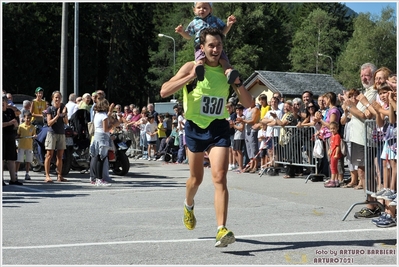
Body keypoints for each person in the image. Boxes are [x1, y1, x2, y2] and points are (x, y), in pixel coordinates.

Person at [160, 27, 252, 248]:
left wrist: (237, 83)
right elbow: (164, 91)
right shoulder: (191, 67)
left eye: (219, 45)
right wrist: (191, 77)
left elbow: (249, 104)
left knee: (220, 177)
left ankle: (221, 229)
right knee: (196, 179)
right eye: (211, 45)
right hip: (194, 128)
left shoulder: (227, 72)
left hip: (218, 127)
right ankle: (188, 204)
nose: (215, 49)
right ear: (202, 48)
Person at [344, 63, 381, 219]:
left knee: (366, 172)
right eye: (362, 75)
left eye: (367, 75)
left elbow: (365, 114)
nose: (364, 78)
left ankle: (371, 205)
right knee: (362, 171)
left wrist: (350, 106)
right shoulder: (365, 93)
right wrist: (351, 108)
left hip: (366, 138)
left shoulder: (373, 93)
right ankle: (370, 201)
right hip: (357, 137)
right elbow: (356, 114)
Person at [175, 2, 239, 84]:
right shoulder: (194, 23)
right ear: (194, 10)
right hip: (199, 46)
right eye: (199, 8)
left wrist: (229, 24)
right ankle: (199, 70)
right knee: (200, 60)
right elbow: (188, 36)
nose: (202, 10)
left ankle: (229, 72)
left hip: (215, 45)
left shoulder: (215, 20)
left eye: (205, 8)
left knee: (223, 60)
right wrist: (182, 32)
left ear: (210, 10)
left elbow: (223, 32)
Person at [89, 98, 119, 186]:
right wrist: (114, 125)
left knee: (97, 157)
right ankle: (99, 179)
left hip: (97, 135)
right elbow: (106, 129)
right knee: (101, 158)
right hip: (103, 136)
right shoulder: (104, 116)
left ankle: (95, 178)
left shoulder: (97, 114)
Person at [44, 91, 69, 183]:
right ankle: (47, 175)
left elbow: (66, 122)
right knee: (49, 155)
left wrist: (64, 115)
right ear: (52, 98)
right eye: (56, 97)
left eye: (59, 97)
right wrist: (57, 116)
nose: (57, 99)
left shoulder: (63, 108)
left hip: (61, 133)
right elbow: (49, 123)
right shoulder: (50, 109)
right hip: (52, 133)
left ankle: (59, 175)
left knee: (60, 156)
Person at [2, 95, 23, 186]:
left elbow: (16, 123)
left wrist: (15, 125)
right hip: (2, 136)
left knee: (12, 158)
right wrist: (10, 123)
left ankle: (13, 179)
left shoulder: (10, 112)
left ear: (7, 103)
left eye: (4, 102)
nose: (2, 103)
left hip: (10, 136)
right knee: (1, 159)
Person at [236, 97, 260, 173]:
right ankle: (251, 164)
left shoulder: (255, 109)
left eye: (251, 101)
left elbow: (253, 121)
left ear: (254, 101)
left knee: (253, 148)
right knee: (249, 148)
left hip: (252, 130)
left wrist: (242, 120)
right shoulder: (248, 109)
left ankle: (255, 165)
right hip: (247, 130)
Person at [15, 111, 36, 181]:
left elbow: (33, 135)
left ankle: (27, 173)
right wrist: (17, 136)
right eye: (27, 118)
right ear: (24, 118)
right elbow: (18, 135)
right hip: (21, 146)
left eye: (30, 118)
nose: (28, 120)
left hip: (29, 146)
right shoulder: (21, 126)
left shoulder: (33, 127)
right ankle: (15, 173)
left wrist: (34, 136)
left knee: (28, 161)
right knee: (19, 160)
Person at [324, 121, 342, 187]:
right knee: (334, 167)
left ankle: (332, 180)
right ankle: (336, 180)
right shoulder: (333, 136)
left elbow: (337, 146)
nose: (332, 130)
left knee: (333, 168)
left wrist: (336, 154)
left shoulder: (337, 136)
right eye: (331, 128)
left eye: (334, 128)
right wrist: (329, 150)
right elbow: (332, 145)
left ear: (337, 128)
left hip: (334, 154)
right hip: (332, 153)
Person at [232, 104, 245, 173]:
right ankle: (240, 165)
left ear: (242, 111)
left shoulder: (243, 117)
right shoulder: (235, 117)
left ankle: (241, 167)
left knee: (239, 151)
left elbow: (241, 128)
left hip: (240, 136)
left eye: (240, 110)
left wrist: (233, 125)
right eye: (237, 110)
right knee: (234, 152)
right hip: (235, 136)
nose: (238, 111)